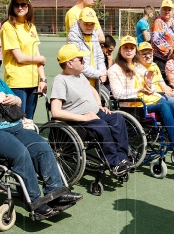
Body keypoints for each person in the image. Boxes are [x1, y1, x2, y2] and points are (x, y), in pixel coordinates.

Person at [0, 38, 81, 219]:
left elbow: (16, 100)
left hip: (13, 125)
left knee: (41, 146)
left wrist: (15, 100)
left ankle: (56, 192)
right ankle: (35, 201)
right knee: (20, 153)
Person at [107, 36, 174, 163]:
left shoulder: (139, 66)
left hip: (145, 100)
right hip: (130, 104)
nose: (129, 50)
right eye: (125, 48)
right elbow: (117, 94)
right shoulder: (114, 69)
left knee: (172, 104)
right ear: (120, 50)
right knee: (165, 105)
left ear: (135, 51)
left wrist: (148, 84)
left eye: (132, 48)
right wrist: (139, 90)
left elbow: (149, 87)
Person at [50, 44, 131, 176]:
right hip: (78, 120)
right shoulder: (60, 81)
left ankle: (122, 159)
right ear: (69, 63)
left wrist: (99, 105)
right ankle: (114, 163)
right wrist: (84, 117)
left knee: (118, 119)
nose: (84, 62)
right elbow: (56, 112)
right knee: (102, 126)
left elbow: (92, 89)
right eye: (81, 60)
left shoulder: (80, 75)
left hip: (95, 112)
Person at [0, 0, 47, 119]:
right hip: (17, 82)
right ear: (12, 6)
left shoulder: (31, 26)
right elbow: (19, 57)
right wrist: (40, 58)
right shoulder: (8, 26)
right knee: (18, 121)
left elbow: (36, 53)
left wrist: (43, 79)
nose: (20, 7)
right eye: (16, 4)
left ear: (28, 6)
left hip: (32, 81)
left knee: (29, 120)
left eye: (23, 4)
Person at [66, 7, 108, 93]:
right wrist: (100, 73)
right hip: (78, 83)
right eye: (86, 24)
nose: (89, 27)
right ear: (79, 21)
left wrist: (103, 72)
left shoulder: (94, 34)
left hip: (94, 81)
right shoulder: (73, 37)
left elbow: (100, 57)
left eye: (92, 24)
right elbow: (78, 64)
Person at [150, 0, 174, 72]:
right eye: (164, 9)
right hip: (161, 58)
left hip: (173, 56)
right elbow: (155, 40)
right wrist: (169, 51)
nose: (167, 12)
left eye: (169, 10)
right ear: (161, 10)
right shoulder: (158, 22)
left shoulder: (172, 21)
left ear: (173, 11)